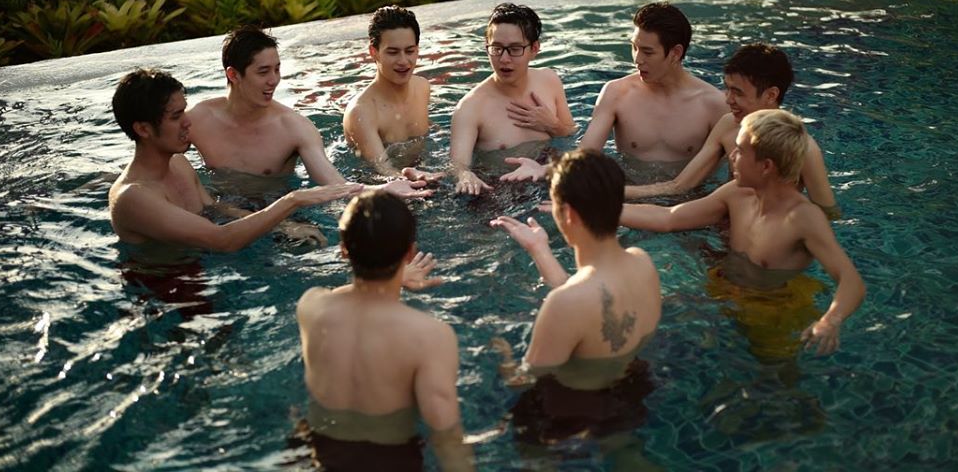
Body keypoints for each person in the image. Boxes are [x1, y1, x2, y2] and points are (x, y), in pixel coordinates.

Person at [621, 109, 865, 355]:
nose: (732, 156)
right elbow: (669, 218)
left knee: (769, 371)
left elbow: (851, 281)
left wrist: (829, 321)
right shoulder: (736, 194)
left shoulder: (803, 219)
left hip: (773, 309)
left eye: (739, 151)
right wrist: (606, 208)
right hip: (724, 289)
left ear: (766, 166)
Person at [296, 191, 472, 472]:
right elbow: (446, 435)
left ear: (343, 249)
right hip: (387, 460)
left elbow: (346, 296)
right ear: (409, 253)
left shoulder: (310, 305)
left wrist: (391, 277)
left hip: (315, 449)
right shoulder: (430, 336)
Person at [109, 68, 361, 251]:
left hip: (201, 269)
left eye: (184, 111)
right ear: (143, 129)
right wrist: (292, 200)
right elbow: (221, 240)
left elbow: (216, 209)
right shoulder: (134, 197)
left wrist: (283, 226)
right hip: (165, 293)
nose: (187, 122)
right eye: (176, 116)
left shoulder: (177, 163)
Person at [187, 26, 430, 199]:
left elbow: (334, 185)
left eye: (277, 69)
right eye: (263, 72)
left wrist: (382, 189)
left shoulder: (294, 128)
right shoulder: (199, 120)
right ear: (233, 75)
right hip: (221, 210)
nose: (274, 80)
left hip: (280, 213)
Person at [501, 2, 728, 184]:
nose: (637, 59)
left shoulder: (714, 105)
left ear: (676, 53)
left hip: (690, 203)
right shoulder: (617, 93)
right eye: (634, 47)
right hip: (627, 198)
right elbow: (586, 154)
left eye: (648, 52)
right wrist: (545, 169)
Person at [490, 149, 660, 382]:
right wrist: (539, 249)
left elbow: (523, 381)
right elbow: (589, 298)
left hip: (579, 402)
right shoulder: (642, 262)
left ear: (568, 214)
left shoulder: (565, 303)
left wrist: (504, 355)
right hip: (639, 384)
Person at [625, 43, 840, 219]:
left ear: (771, 95)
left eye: (738, 92)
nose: (728, 99)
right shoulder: (728, 125)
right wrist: (617, 193)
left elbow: (827, 215)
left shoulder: (804, 149)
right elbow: (679, 186)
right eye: (727, 88)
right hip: (723, 223)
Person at [449, 4, 576, 195]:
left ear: (534, 48)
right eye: (497, 48)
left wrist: (553, 126)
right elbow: (457, 165)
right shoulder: (471, 108)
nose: (504, 59)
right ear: (486, 47)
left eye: (515, 49)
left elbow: (572, 136)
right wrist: (464, 175)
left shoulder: (549, 81)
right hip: (501, 192)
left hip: (550, 179)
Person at [343, 6, 441, 182]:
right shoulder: (361, 111)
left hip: (423, 172)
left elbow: (432, 131)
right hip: (378, 187)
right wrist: (416, 179)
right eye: (393, 52)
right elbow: (384, 170)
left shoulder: (422, 87)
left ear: (417, 49)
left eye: (409, 51)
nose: (403, 61)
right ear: (374, 52)